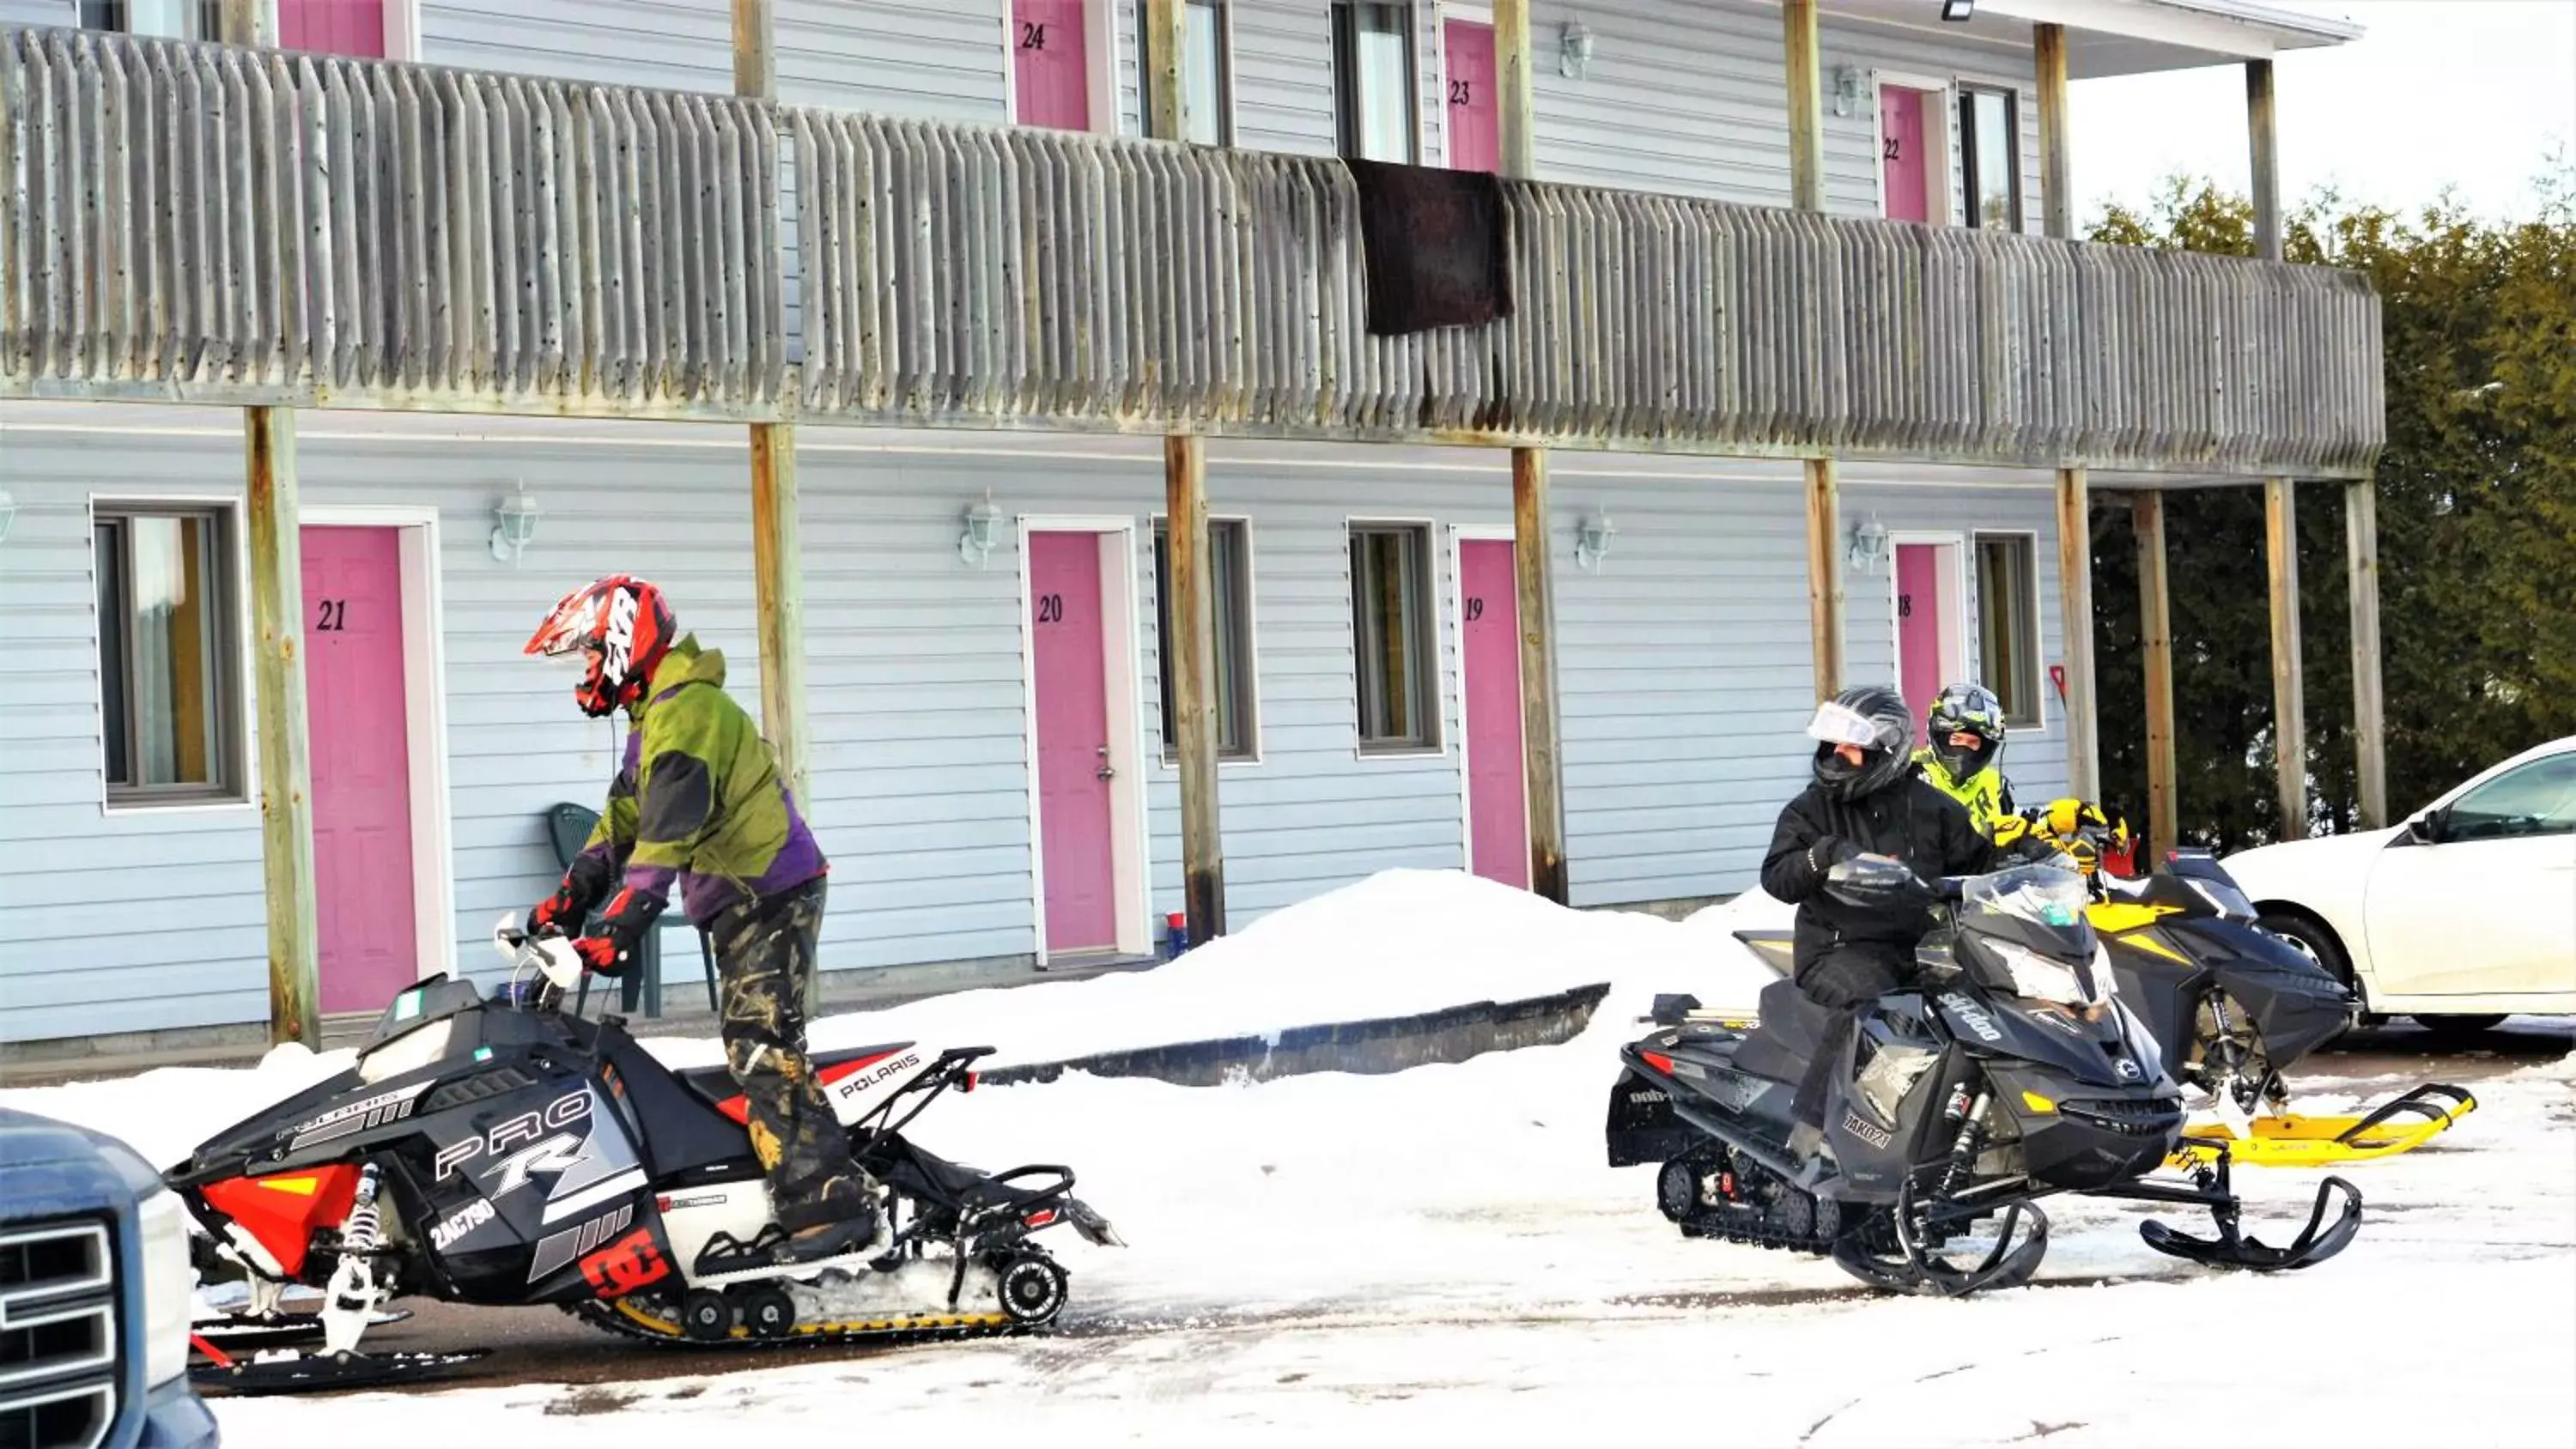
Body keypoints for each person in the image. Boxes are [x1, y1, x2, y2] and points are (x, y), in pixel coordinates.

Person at [523, 574, 883, 1265]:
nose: (589, 672)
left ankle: (830, 1210)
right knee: (748, 1046)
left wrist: (622, 922)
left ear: (626, 641)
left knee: (762, 1046)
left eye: (592, 655)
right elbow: (627, 814)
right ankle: (778, 1187)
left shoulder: (690, 712)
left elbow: (668, 831)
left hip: (769, 890)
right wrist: (572, 895)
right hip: (740, 895)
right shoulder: (656, 713)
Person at [1760, 685, 2001, 1152]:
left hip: (1926, 949)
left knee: (1991, 1011)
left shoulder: (1932, 808)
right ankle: (1814, 1130)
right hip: (1838, 949)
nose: (1837, 755)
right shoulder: (1809, 810)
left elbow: (1979, 863)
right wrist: (1819, 857)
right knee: (1875, 1003)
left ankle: (1962, 1135)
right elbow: (1776, 879)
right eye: (1834, 746)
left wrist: (2027, 857)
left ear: (1885, 751)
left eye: (1851, 746)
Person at [1912, 682, 2015, 838]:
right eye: (1957, 739)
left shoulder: (1995, 783)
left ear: (1986, 747)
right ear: (1941, 736)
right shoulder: (1911, 773)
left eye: (1973, 743)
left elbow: (2015, 822)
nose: (1963, 749)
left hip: (1989, 860)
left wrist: (2050, 820)